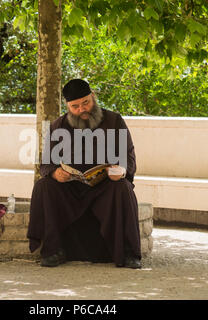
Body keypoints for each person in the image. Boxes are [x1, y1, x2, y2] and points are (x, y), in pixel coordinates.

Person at [27, 79, 141, 269]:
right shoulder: (58, 126)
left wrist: (120, 171)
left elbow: (128, 158)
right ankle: (53, 251)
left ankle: (128, 254)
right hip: (71, 188)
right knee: (44, 186)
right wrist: (55, 173)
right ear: (68, 106)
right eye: (75, 106)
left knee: (123, 187)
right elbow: (46, 163)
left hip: (104, 187)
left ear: (93, 97)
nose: (82, 109)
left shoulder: (114, 121)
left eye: (86, 103)